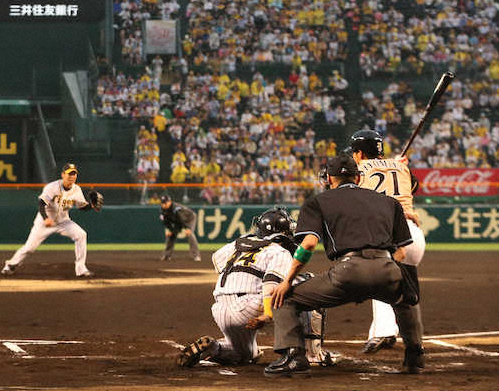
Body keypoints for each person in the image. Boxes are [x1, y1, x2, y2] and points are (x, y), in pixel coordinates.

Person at [266, 153, 424, 376]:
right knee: (406, 298)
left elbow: (309, 245)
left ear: (329, 179)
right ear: (358, 178)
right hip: (385, 267)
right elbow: (401, 251)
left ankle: (293, 357)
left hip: (347, 271)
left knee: (285, 299)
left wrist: (287, 281)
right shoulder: (389, 201)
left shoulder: (317, 202)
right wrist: (386, 275)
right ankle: (415, 356)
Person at [176, 207, 332, 368]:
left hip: (220, 308)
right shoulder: (278, 251)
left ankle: (213, 348)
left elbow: (217, 259)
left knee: (245, 355)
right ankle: (313, 354)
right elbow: (270, 282)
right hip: (249, 306)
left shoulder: (236, 244)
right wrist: (268, 313)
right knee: (308, 283)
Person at [348, 128, 426, 354]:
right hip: (413, 235)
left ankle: (384, 332)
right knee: (404, 291)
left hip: (389, 235)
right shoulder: (402, 167)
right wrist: (398, 164)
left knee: (378, 280)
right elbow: (412, 187)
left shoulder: (357, 169)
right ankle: (409, 344)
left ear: (360, 153)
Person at [2, 162, 103, 277]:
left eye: (74, 174)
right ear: (63, 175)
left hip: (63, 222)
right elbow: (41, 203)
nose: (72, 176)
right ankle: (10, 265)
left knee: (81, 235)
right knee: (29, 248)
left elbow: (82, 207)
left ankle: (81, 269)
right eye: (69, 174)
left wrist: (92, 206)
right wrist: (45, 218)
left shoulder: (77, 190)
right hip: (44, 222)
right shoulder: (52, 187)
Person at [158, 194, 201, 261]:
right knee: (171, 235)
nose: (163, 204)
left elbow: (182, 219)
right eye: (162, 203)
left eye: (165, 203)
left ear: (169, 202)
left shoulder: (176, 208)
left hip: (189, 218)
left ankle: (196, 256)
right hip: (178, 221)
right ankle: (167, 255)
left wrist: (187, 228)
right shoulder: (162, 210)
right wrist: (169, 229)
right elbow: (165, 221)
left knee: (189, 234)